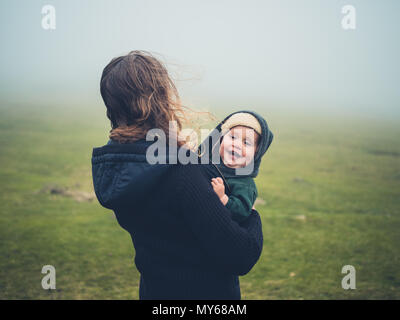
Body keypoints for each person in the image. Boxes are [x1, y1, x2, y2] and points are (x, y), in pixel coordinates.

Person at [92, 50, 264, 299]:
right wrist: (251, 215)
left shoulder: (117, 166)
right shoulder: (181, 171)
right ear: (160, 97)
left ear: (111, 105)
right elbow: (240, 255)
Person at [208, 112, 274, 223]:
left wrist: (223, 198)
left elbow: (242, 213)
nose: (237, 144)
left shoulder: (244, 184)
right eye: (233, 137)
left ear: (256, 153)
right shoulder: (208, 160)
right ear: (221, 139)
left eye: (246, 142)